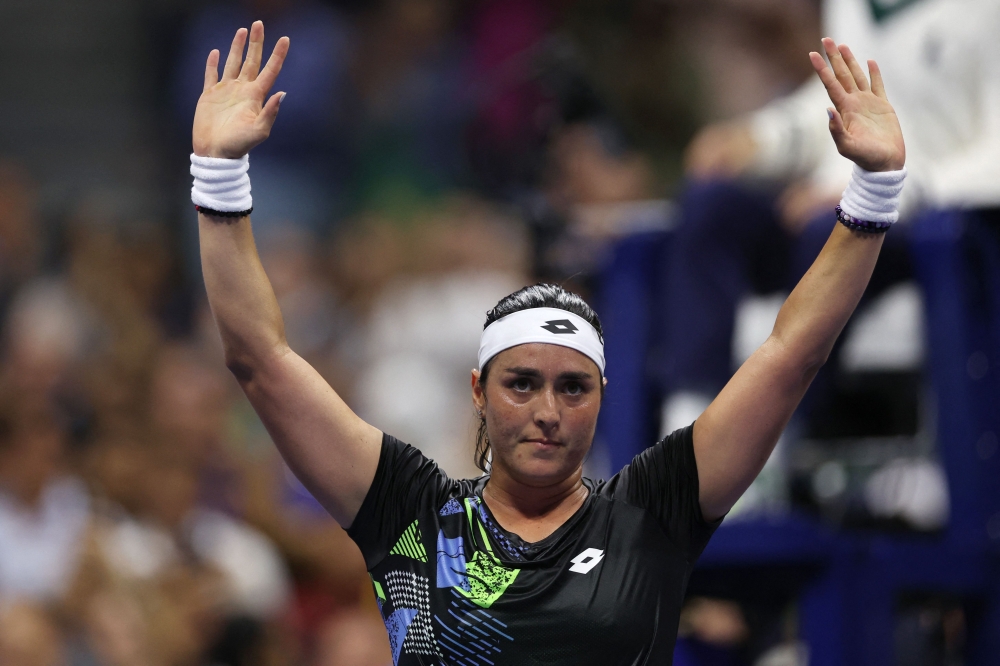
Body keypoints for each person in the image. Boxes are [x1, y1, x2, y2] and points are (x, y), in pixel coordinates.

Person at [189, 21, 905, 664]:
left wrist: (872, 193)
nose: (547, 410)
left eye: (573, 387)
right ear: (478, 391)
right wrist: (219, 178)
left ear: (602, 399)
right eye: (521, 382)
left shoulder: (650, 514)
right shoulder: (410, 514)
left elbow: (789, 356)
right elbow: (262, 360)